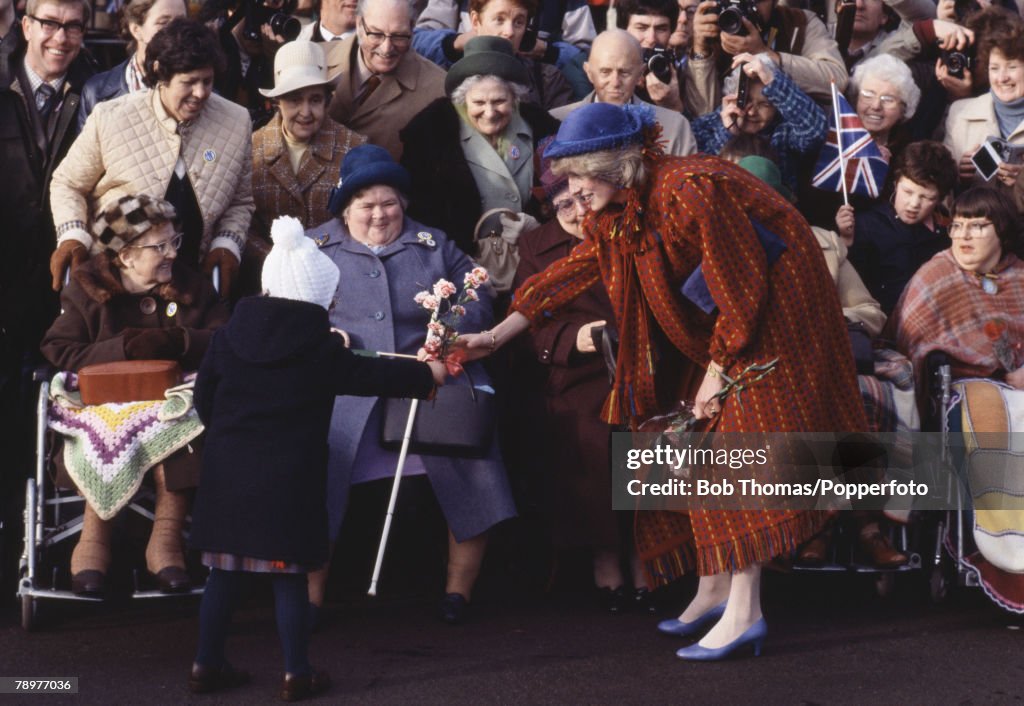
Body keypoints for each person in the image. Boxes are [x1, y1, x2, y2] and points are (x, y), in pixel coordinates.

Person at [458, 103, 867, 659]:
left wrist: (717, 375)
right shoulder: (623, 206)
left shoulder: (690, 189)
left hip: (776, 319)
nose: (570, 189)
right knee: (690, 448)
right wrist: (496, 335)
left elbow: (742, 289)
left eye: (578, 175)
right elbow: (571, 271)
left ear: (611, 164)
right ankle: (715, 588)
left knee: (734, 453)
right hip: (724, 320)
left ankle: (746, 613)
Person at [188, 216, 444, 699]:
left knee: (222, 574)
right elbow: (373, 377)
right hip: (288, 479)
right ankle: (296, 671)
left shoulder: (226, 340)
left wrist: (227, 440)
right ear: (319, 297)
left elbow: (205, 402)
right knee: (289, 577)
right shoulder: (319, 348)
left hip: (227, 474)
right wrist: (428, 376)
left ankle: (205, 663)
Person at [305, 145, 517, 624]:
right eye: (367, 205)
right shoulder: (312, 249)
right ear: (344, 208)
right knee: (315, 472)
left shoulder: (433, 243)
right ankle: (308, 598)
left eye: (389, 203)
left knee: (470, 462)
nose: (380, 214)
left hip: (429, 376)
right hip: (348, 383)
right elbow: (281, 305)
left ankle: (457, 592)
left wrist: (449, 332)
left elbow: (477, 289)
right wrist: (319, 335)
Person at [40, 194, 230, 597]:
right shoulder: (87, 292)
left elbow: (226, 339)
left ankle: (164, 546)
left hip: (173, 400)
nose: (171, 254)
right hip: (102, 405)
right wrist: (121, 348)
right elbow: (58, 351)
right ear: (125, 256)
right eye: (158, 247)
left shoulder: (190, 285)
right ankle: (92, 546)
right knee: (103, 437)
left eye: (174, 242)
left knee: (182, 427)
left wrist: (180, 340)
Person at [512, 156, 655, 613]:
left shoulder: (624, 230)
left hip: (640, 361)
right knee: (587, 439)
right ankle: (605, 553)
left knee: (646, 445)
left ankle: (645, 552)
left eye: (582, 200)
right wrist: (576, 340)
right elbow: (527, 321)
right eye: (564, 204)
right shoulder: (536, 246)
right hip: (576, 370)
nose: (577, 212)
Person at [49, 18, 254, 300]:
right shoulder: (112, 117)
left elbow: (240, 201)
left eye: (207, 81)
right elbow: (67, 183)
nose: (201, 93)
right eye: (189, 82)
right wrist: (73, 236)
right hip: (117, 284)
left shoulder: (236, 121)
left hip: (193, 286)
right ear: (160, 73)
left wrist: (227, 244)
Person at [892, 186, 1024, 612]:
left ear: (1002, 230)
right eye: (958, 226)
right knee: (989, 420)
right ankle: (998, 557)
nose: (964, 236)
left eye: (979, 226)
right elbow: (909, 340)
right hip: (962, 388)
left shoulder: (1020, 278)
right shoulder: (938, 275)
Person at [0, 0, 95, 504]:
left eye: (74, 26)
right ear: (26, 23)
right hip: (5, 271)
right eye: (50, 24)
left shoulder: (96, 93)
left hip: (64, 278)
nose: (61, 37)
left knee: (49, 411)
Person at [400, 36, 559, 280]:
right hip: (458, 267)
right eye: (478, 102)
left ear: (514, 97)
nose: (489, 112)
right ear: (462, 100)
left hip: (534, 263)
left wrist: (539, 228)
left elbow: (565, 198)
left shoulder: (542, 129)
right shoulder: (430, 136)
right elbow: (420, 216)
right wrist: (457, 260)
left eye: (499, 101)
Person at [246, 40, 367, 295]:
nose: (305, 112)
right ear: (277, 101)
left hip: (339, 282)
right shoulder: (251, 149)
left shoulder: (354, 148)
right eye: (294, 100)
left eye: (315, 100)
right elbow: (244, 224)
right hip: (269, 282)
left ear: (327, 101)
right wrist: (278, 264)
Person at [843, 140, 958, 316]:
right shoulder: (867, 224)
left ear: (939, 198)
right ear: (896, 183)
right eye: (908, 192)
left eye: (927, 197)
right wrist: (847, 243)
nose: (914, 204)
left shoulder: (946, 233)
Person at [323, 0, 446, 160]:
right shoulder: (316, 62)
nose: (386, 48)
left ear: (412, 28)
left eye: (399, 36)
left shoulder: (438, 88)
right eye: (376, 34)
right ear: (359, 23)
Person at [691, 51, 826, 191]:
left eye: (764, 105)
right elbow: (701, 178)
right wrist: (729, 133)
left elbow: (815, 132)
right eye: (746, 100)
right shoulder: (707, 125)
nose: (752, 112)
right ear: (731, 96)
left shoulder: (783, 131)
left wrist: (772, 81)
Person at [550, 29, 696, 157]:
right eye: (605, 72)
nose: (615, 82)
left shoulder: (674, 127)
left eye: (624, 73)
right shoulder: (556, 122)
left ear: (640, 74)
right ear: (589, 73)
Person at [687, 0, 847, 114]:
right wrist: (700, 49)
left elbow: (837, 80)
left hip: (787, 141)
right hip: (727, 142)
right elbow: (702, 112)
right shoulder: (712, 23)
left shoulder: (800, 22)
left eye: (755, 1)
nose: (744, 8)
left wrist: (766, 55)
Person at [411, 0, 576, 109]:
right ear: (475, 21)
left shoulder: (547, 81)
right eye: (499, 20)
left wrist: (547, 50)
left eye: (519, 22)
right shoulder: (443, 80)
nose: (509, 32)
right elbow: (413, 40)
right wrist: (455, 43)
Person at [943, 24, 1024, 208]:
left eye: (1011, 67)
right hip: (972, 228)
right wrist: (958, 176)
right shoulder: (960, 112)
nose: (1002, 78)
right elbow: (939, 195)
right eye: (994, 68)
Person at [77, 0, 188, 130]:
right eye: (163, 22)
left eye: (181, 22)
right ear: (136, 29)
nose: (176, 31)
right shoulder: (97, 91)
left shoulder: (202, 91)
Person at [616, 0, 686, 113]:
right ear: (624, 29)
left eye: (661, 29)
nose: (651, 38)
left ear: (671, 32)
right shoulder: (605, 70)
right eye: (641, 28)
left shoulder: (678, 73)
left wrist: (673, 105)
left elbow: (696, 127)